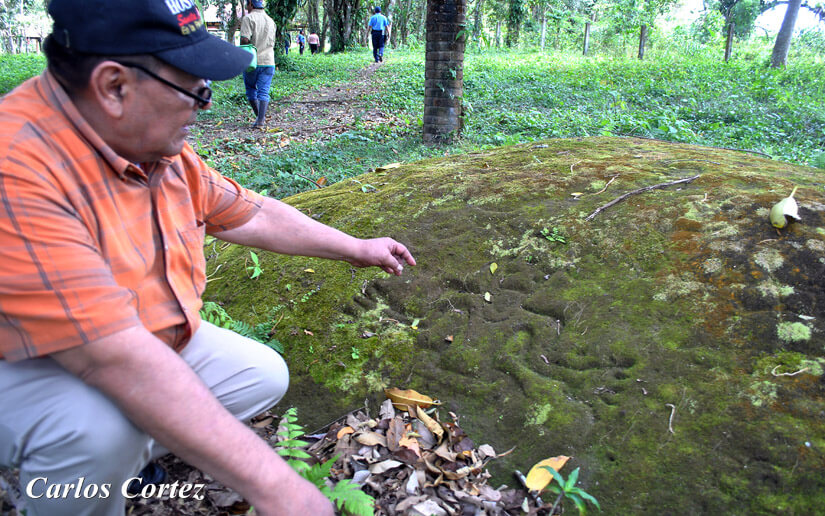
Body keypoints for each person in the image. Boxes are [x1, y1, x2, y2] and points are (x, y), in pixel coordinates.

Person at [0, 1, 416, 516]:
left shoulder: (150, 145)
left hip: (133, 336)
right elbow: (113, 355)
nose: (206, 103)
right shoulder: (18, 169)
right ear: (114, 86)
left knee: (259, 374)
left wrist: (357, 248)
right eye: (195, 89)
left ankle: (125, 457)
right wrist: (280, 489)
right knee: (100, 432)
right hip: (24, 359)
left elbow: (252, 214)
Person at [240, 0, 275, 129]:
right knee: (264, 91)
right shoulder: (271, 20)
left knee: (251, 90)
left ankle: (259, 117)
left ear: (251, 4)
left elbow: (245, 39)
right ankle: (260, 120)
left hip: (253, 61)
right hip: (269, 61)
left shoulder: (248, 18)